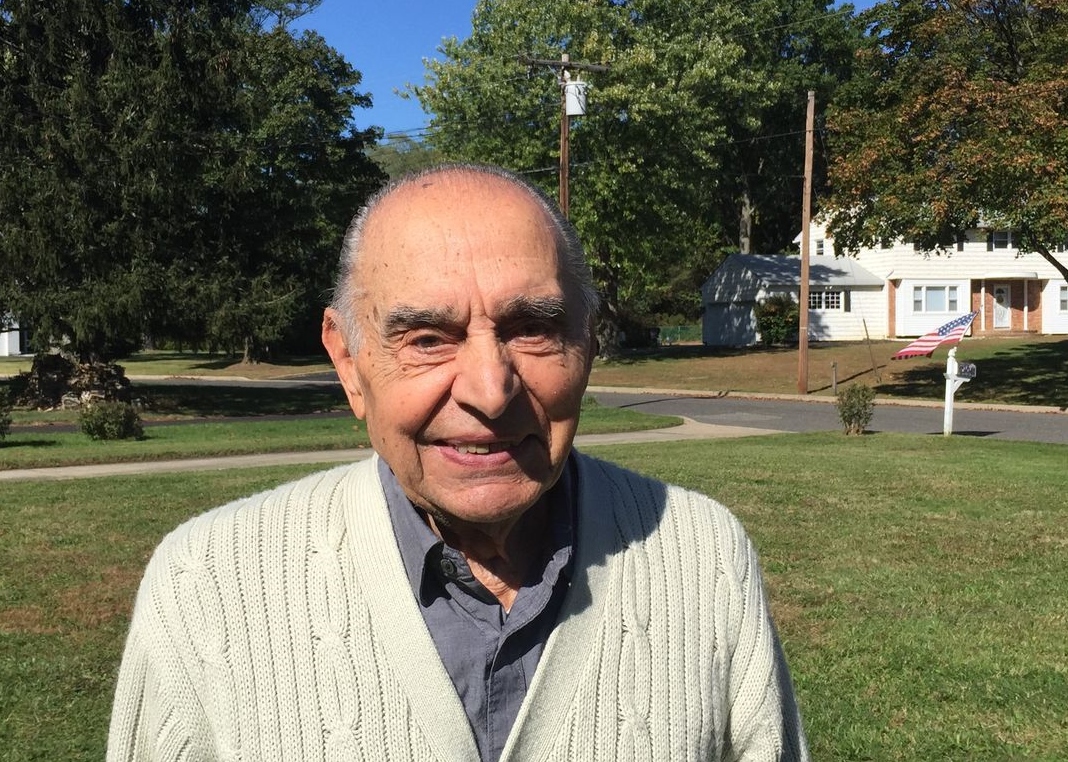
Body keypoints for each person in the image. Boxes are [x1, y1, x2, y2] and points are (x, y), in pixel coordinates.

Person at [108, 163, 809, 761]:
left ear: (588, 346)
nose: (489, 390)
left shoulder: (703, 556)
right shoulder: (206, 583)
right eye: (426, 338)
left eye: (532, 329)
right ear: (348, 362)